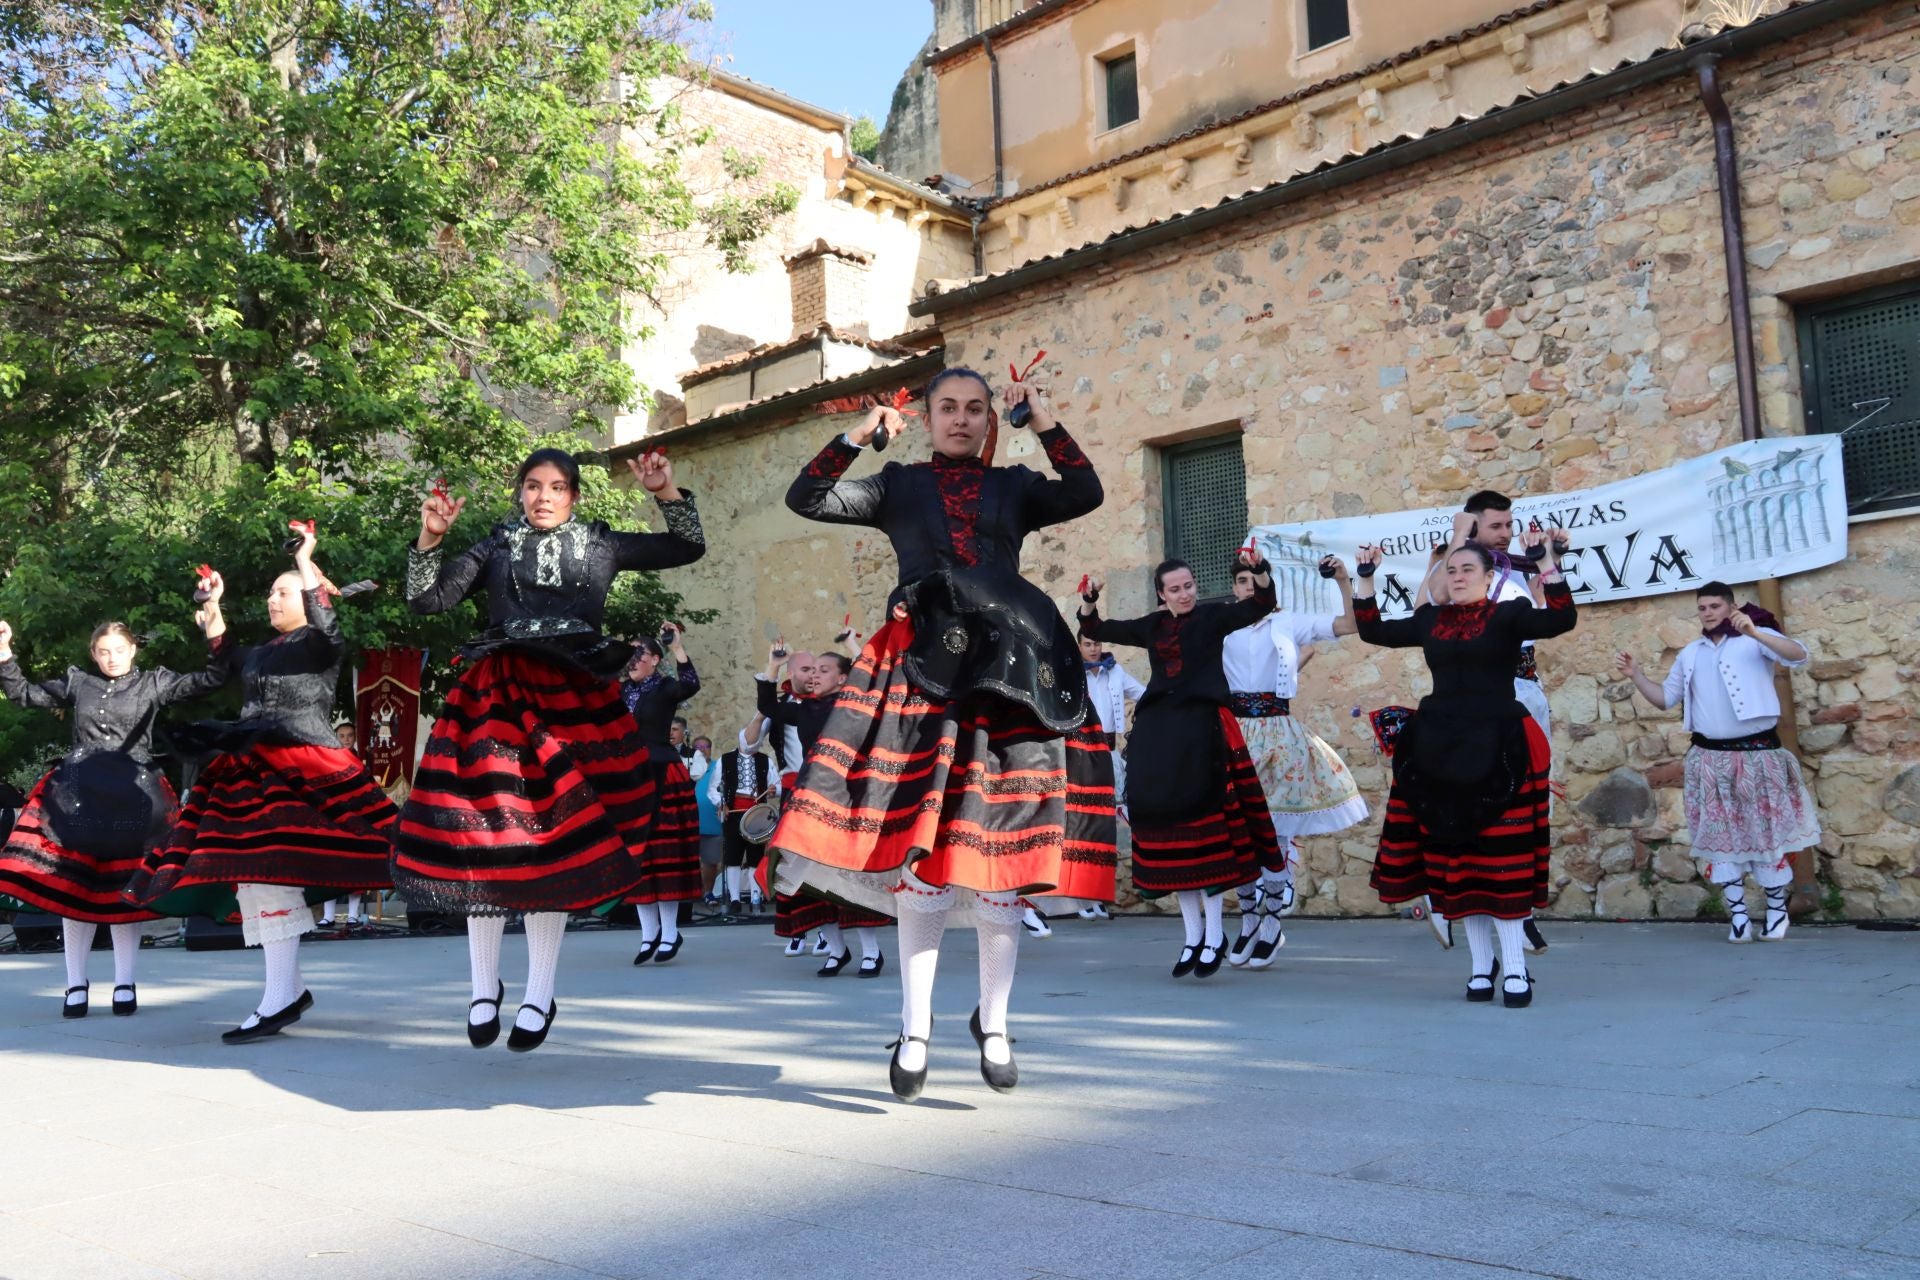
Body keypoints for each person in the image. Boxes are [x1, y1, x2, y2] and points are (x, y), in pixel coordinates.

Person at [771, 367, 1114, 1100]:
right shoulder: (897, 486)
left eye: (975, 410)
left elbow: (1086, 492)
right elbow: (806, 497)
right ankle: (916, 1026)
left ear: (993, 418)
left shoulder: (1015, 487)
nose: (961, 420)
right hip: (918, 670)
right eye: (948, 408)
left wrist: (1045, 422)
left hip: (1011, 676)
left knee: (1003, 864)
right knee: (921, 863)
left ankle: (993, 1022)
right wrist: (858, 436)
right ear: (925, 416)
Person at [392, 446, 704, 1051]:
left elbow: (686, 547)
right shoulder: (496, 545)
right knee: (487, 833)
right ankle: (484, 986)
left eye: (556, 487)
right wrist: (429, 540)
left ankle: (540, 990)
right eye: (532, 485)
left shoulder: (601, 543)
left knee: (554, 842)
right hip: (498, 698)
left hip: (572, 704)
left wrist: (666, 492)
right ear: (520, 491)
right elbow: (426, 600)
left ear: (574, 495)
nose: (543, 497)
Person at [126, 526, 398, 1041]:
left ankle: (279, 998)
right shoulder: (261, 652)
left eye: (283, 591)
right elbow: (225, 655)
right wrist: (213, 606)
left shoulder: (319, 645)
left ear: (307, 593)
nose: (272, 599)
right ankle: (286, 991)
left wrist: (307, 561)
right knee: (252, 875)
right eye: (271, 592)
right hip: (250, 769)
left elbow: (329, 623)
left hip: (304, 767)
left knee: (268, 872)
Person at [1352, 534, 1576, 1007]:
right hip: (1440, 749)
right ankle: (1480, 969)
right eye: (1450, 571)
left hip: (1497, 747)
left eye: (1467, 570)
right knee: (1460, 860)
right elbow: (1372, 630)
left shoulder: (1507, 615)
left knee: (1501, 861)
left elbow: (1561, 618)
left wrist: (1545, 562)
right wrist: (1365, 578)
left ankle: (1515, 970)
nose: (1456, 577)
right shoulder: (1430, 620)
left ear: (1490, 577)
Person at [0, 607, 228, 1017]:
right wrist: (4, 653)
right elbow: (24, 695)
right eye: (104, 651)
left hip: (133, 794)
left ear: (133, 650)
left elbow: (209, 680)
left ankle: (125, 981)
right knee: (76, 888)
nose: (112, 658)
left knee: (126, 889)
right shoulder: (78, 682)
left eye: (119, 650)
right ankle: (75, 984)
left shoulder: (153, 683)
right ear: (93, 652)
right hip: (79, 795)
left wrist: (214, 628)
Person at [1079, 551, 1281, 978]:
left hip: (1200, 729)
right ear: (1161, 594)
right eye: (1176, 588)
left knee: (1201, 827)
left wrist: (1260, 571)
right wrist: (1090, 600)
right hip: (1160, 732)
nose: (1185, 593)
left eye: (1189, 585)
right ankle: (1192, 937)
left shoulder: (1212, 618)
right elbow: (1095, 628)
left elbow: (1260, 604)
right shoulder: (1152, 626)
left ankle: (1215, 936)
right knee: (1168, 828)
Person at [1616, 583, 1818, 943]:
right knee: (1721, 838)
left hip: (1759, 756)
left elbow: (1798, 655)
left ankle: (1776, 911)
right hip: (1710, 759)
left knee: (1765, 834)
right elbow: (1665, 699)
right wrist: (1637, 676)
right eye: (1702, 608)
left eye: (1713, 606)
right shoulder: (1690, 653)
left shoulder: (1756, 638)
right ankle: (1738, 916)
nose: (1707, 612)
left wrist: (1756, 632)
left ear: (1730, 607)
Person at [1413, 490, 1554, 957]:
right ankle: (1449, 895)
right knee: (1471, 799)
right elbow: (1424, 608)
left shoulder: (1513, 571)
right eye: (1497, 526)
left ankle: (1522, 913)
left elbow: (1548, 617)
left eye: (1509, 525)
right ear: (1474, 527)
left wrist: (1549, 561)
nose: (1507, 533)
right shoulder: (1455, 568)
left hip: (1525, 691)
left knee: (1529, 801)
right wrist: (1456, 541)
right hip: (1477, 703)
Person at [1221, 554, 1369, 969]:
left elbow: (1349, 625)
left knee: (1275, 826)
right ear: (1234, 588)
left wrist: (1343, 581)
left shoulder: (1287, 622)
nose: (1249, 588)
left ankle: (1271, 920)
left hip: (1278, 729)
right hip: (1236, 731)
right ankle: (1249, 915)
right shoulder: (1221, 626)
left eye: (1256, 581)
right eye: (1243, 582)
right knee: (1240, 828)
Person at [760, 644, 889, 975]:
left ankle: (872, 952)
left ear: (844, 678)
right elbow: (767, 706)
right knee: (803, 873)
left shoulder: (854, 707)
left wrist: (853, 648)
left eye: (823, 670)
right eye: (812, 670)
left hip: (844, 796)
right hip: (807, 795)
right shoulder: (804, 709)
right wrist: (773, 666)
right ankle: (836, 949)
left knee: (847, 875)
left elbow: (880, 686)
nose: (814, 675)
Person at [623, 625, 702, 964]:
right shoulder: (620, 691)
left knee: (665, 852)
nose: (633, 659)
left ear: (655, 659)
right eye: (630, 653)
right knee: (638, 856)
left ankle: (669, 931)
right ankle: (648, 934)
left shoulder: (665, 687)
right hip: (630, 776)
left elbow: (691, 684)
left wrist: (678, 648)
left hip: (661, 772)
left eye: (639, 653)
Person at [1075, 634, 1145, 922]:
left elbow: (1144, 693)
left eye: (1097, 644)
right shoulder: (1073, 673)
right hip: (1084, 753)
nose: (1094, 649)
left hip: (1111, 753)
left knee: (1106, 826)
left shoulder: (1114, 671)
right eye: (1088, 644)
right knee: (1083, 824)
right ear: (1079, 645)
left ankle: (1098, 895)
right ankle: (1079, 896)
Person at [709, 714, 779, 914]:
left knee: (756, 856)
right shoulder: (725, 760)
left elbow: (777, 785)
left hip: (758, 814)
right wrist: (721, 804)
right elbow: (713, 789)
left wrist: (774, 790)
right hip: (734, 813)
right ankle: (734, 899)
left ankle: (756, 897)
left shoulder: (766, 761)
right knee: (733, 856)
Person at [317, 719, 370, 928]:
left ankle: (353, 915)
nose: (346, 740)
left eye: (350, 735)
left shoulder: (361, 762)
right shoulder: (327, 760)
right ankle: (329, 915)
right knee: (330, 869)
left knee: (354, 869)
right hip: (332, 821)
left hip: (355, 820)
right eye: (342, 736)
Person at [689, 734, 724, 905]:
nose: (702, 750)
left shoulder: (719, 767)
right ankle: (690, 894)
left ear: (711, 749)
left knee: (710, 862)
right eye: (698, 747)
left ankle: (708, 893)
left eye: (705, 747)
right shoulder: (687, 767)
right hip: (689, 823)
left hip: (712, 823)